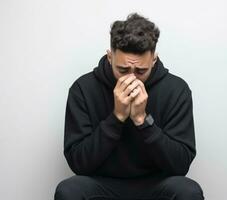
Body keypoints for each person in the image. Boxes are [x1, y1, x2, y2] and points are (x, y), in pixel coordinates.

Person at [54, 13, 204, 200]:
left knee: (188, 190)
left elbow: (180, 166)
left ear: (154, 60)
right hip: (102, 183)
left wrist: (143, 121)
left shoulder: (176, 90)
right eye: (123, 70)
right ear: (110, 57)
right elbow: (79, 164)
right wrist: (116, 117)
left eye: (141, 71)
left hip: (156, 184)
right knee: (68, 190)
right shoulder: (83, 89)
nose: (131, 78)